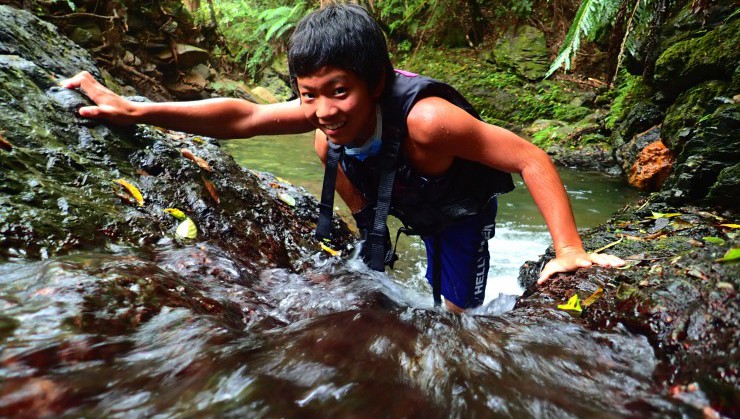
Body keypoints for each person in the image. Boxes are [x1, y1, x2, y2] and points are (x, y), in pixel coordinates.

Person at [61, 4, 624, 312]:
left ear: (376, 81)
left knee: (454, 320)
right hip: (392, 197)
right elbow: (242, 118)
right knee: (323, 150)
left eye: (339, 91)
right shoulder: (321, 115)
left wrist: (569, 251)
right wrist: (136, 110)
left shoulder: (429, 120)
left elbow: (531, 157)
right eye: (309, 93)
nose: (324, 108)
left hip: (457, 215)